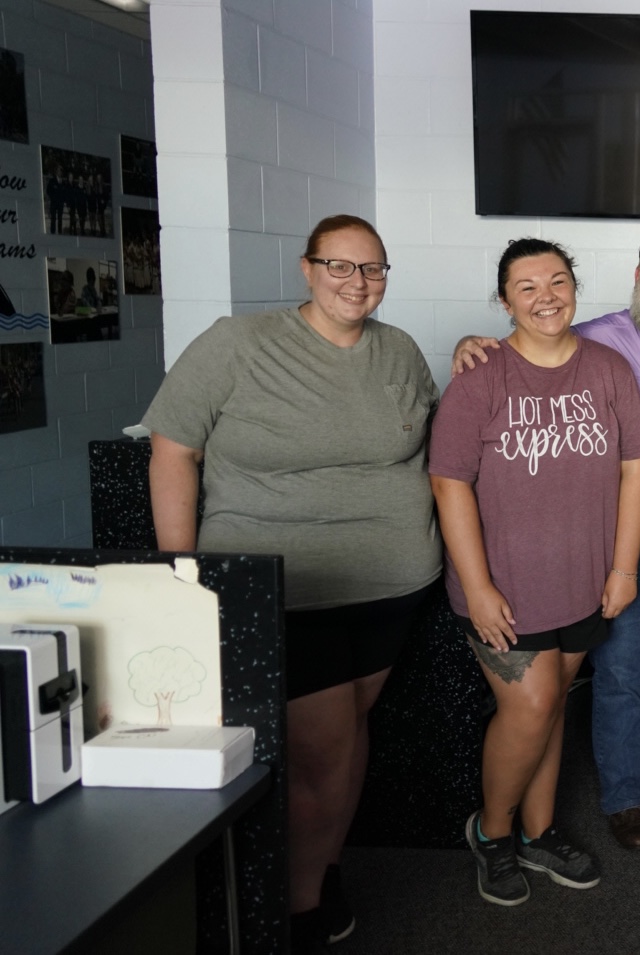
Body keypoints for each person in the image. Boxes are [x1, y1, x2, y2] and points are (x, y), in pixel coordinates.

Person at [143, 214, 441, 952]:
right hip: (281, 588)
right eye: (339, 266)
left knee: (348, 732)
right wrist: (181, 571)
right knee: (323, 750)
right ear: (306, 269)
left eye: (371, 269)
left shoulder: (398, 349)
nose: (357, 282)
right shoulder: (235, 343)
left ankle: (324, 866)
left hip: (393, 583)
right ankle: (298, 909)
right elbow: (172, 452)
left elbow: (436, 439)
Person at [452, 233, 640, 850]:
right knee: (622, 678)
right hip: (632, 550)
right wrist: (468, 346)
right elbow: (527, 347)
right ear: (638, 277)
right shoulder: (602, 342)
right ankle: (624, 797)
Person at [429, 238, 640, 906]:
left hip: (586, 581)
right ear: (503, 299)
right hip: (504, 590)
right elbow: (448, 483)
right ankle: (492, 833)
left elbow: (635, 465)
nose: (545, 296)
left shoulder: (608, 368)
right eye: (526, 286)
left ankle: (538, 831)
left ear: (575, 289)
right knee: (528, 708)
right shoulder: (481, 375)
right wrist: (477, 587)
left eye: (557, 281)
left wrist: (623, 566)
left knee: (550, 707)